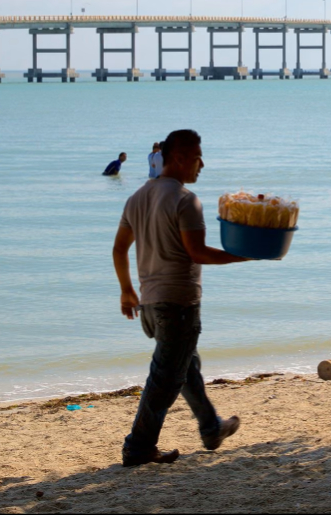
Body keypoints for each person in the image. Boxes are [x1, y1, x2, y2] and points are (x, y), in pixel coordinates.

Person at [112, 129, 250, 467]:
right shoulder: (187, 200)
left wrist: (127, 290)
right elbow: (198, 252)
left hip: (149, 302)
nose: (202, 163)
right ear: (178, 158)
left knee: (185, 367)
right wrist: (242, 255)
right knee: (164, 379)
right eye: (197, 156)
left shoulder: (138, 197)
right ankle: (138, 447)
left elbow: (119, 248)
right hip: (178, 305)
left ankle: (211, 428)